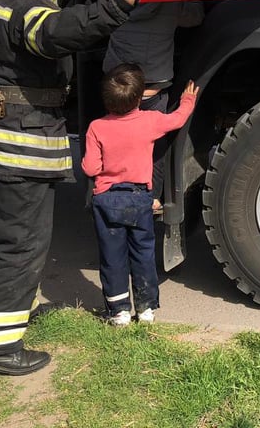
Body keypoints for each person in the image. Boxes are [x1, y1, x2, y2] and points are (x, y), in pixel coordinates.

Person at [0, 0, 139, 376]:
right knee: (20, 244)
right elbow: (59, 32)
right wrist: (116, 3)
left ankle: (10, 320)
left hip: (1, 138)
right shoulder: (28, 15)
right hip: (18, 146)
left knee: (22, 241)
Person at [81, 65, 199, 326]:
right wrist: (188, 98)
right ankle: (146, 309)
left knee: (113, 257)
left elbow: (90, 168)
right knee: (143, 253)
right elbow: (177, 119)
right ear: (139, 99)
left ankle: (119, 311)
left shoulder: (96, 127)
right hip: (139, 199)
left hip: (107, 199)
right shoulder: (150, 120)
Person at [101, 1, 204, 211]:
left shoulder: (113, 2)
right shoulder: (170, 5)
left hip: (118, 86)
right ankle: (153, 197)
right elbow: (195, 18)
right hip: (154, 88)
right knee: (155, 148)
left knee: (117, 142)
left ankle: (115, 188)